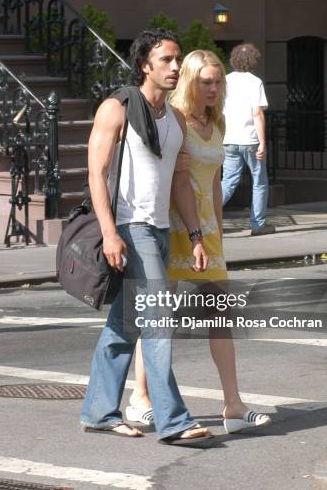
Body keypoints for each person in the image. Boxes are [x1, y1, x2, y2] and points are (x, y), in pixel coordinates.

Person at [126, 50, 272, 434]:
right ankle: (140, 398)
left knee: (221, 318)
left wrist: (217, 236)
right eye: (206, 81)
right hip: (173, 230)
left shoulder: (216, 122)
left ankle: (233, 406)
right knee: (160, 319)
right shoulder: (174, 122)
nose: (213, 87)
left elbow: (213, 182)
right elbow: (167, 179)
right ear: (190, 81)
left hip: (206, 232)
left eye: (218, 80)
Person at [80, 29, 213, 445]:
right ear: (145, 66)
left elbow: (179, 182)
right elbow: (96, 175)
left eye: (178, 60)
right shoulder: (116, 109)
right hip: (128, 227)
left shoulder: (173, 119)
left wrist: (194, 235)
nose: (176, 67)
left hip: (157, 230)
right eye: (167, 60)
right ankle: (174, 421)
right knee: (158, 321)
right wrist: (109, 233)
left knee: (125, 324)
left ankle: (98, 411)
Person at [220, 43, 275, 236]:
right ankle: (258, 224)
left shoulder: (224, 81)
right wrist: (263, 142)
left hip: (228, 138)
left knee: (228, 181)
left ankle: (206, 217)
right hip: (250, 139)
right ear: (254, 61)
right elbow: (257, 113)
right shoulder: (255, 82)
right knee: (259, 181)